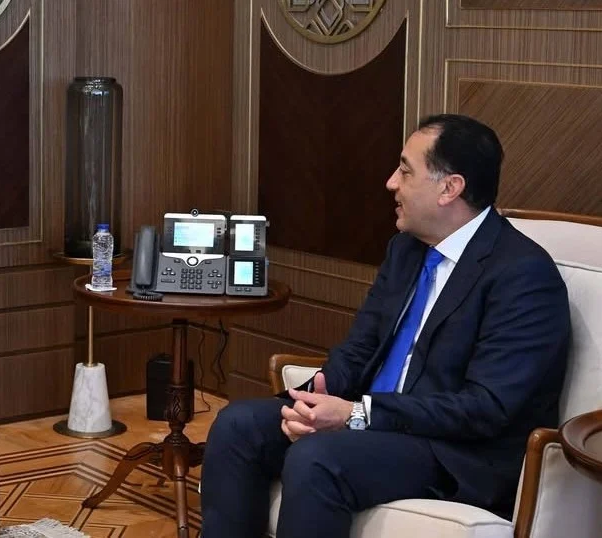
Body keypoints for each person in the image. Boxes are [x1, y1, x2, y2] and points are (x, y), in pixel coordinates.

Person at [200, 114, 571, 537]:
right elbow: (360, 348)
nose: (391, 182)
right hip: (381, 423)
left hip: (456, 451)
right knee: (237, 425)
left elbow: (485, 407)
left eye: (405, 171)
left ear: (449, 188)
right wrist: (315, 397)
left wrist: (358, 414)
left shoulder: (522, 274)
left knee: (317, 458)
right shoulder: (406, 249)